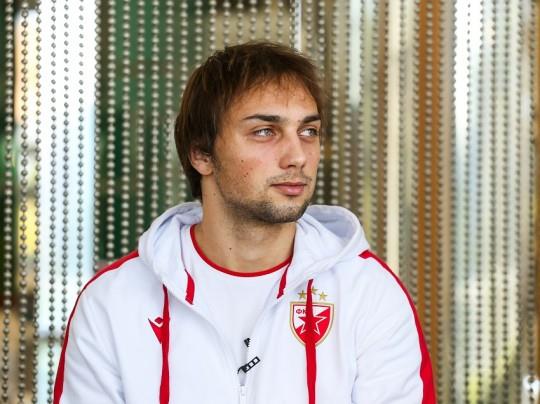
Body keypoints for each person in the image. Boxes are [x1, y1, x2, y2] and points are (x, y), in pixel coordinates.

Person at [53, 41, 435, 404]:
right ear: (202, 154)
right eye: (265, 132)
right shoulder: (113, 302)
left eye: (309, 132)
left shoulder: (369, 294)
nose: (297, 156)